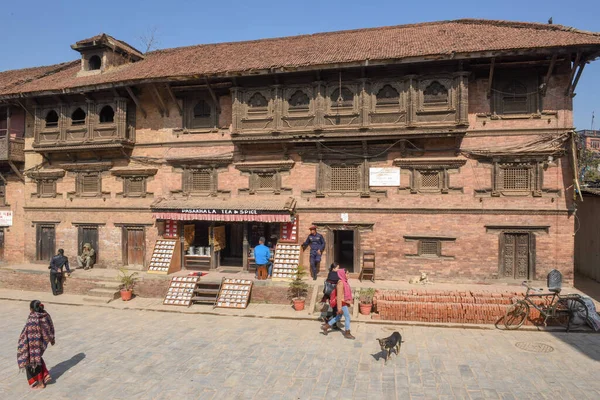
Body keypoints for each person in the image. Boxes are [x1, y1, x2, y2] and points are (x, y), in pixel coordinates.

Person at [17, 300, 55, 390]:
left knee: (34, 360)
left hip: (33, 343)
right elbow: (50, 326)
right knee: (38, 358)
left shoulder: (32, 318)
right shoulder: (45, 315)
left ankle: (41, 383)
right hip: (42, 342)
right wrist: (51, 338)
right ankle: (45, 375)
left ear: (31, 309)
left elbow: (28, 331)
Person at [321, 265, 355, 339]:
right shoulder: (340, 283)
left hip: (343, 302)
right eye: (347, 273)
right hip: (341, 303)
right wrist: (339, 308)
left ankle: (326, 326)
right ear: (343, 274)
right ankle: (347, 332)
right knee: (347, 317)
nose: (348, 275)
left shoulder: (344, 282)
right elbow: (339, 297)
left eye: (348, 273)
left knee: (338, 317)